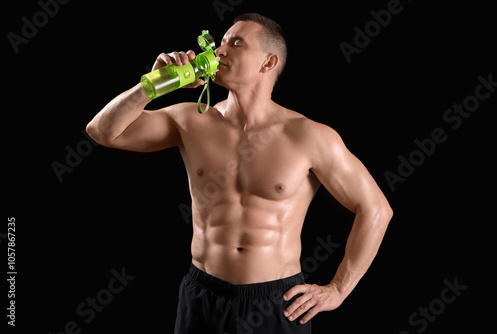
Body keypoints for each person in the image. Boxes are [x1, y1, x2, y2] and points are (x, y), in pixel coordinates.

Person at [87, 13, 393, 334]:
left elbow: (376, 209)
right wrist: (156, 84)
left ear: (267, 62)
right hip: (202, 294)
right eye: (220, 43)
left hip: (276, 302)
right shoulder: (190, 120)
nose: (219, 51)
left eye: (236, 43)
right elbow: (103, 132)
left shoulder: (309, 136)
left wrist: (339, 289)